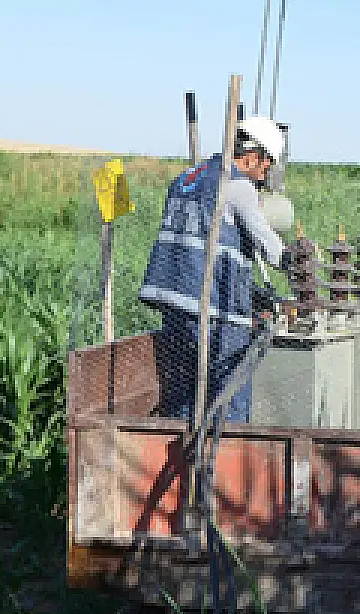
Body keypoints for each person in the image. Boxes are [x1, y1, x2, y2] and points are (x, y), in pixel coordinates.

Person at [139, 115, 293, 424]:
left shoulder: (185, 180)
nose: (264, 174)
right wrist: (297, 262)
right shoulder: (236, 187)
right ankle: (223, 454)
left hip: (175, 308)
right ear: (252, 155)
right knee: (230, 397)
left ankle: (184, 450)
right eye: (266, 165)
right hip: (215, 313)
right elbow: (269, 246)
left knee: (184, 398)